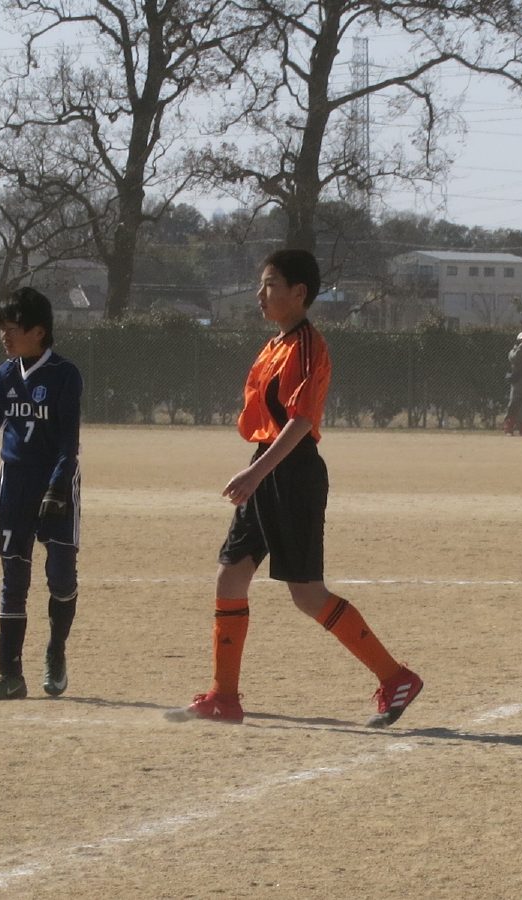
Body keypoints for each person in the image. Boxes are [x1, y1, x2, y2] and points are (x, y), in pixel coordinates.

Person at [166, 249, 422, 728]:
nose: (260, 294)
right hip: (266, 465)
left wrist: (256, 474)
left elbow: (302, 421)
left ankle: (396, 678)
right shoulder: (275, 345)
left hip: (293, 473)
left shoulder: (307, 344)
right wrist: (257, 470)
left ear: (299, 293)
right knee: (230, 577)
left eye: (270, 284)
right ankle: (224, 697)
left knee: (307, 595)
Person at [0, 288, 83, 700]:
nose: (4, 337)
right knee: (14, 579)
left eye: (12, 329)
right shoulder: (3, 376)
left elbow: (68, 442)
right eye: (1, 329)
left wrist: (57, 487)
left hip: (56, 483)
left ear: (39, 332)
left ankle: (56, 649)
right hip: (13, 484)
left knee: (61, 577)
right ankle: (10, 675)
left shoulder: (65, 374)